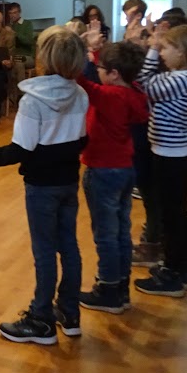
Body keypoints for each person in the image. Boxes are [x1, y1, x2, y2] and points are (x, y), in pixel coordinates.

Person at [0, 26, 88, 345]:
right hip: (68, 181)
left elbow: (20, 150)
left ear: (43, 58)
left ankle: (41, 320)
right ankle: (69, 313)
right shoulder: (80, 94)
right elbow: (81, 140)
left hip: (42, 186)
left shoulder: (33, 102)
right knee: (69, 246)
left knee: (44, 252)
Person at [133, 24, 187, 298]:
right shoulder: (180, 76)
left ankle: (175, 273)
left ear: (182, 51)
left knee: (174, 215)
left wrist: (151, 49)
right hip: (167, 151)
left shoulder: (184, 77)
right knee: (172, 213)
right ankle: (175, 266)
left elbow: (143, 84)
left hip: (171, 154)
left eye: (165, 48)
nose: (161, 53)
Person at [77, 39, 148, 314]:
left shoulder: (110, 96)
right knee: (120, 231)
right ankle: (120, 288)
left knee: (105, 234)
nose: (97, 71)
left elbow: (82, 82)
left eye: (101, 68)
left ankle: (108, 290)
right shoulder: (134, 93)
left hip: (103, 170)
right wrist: (95, 51)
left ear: (114, 73)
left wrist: (81, 54)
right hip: (125, 169)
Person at [6, 2, 35, 105]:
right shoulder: (8, 26)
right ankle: (6, 94)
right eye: (10, 13)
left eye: (15, 13)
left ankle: (21, 95)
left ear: (19, 12)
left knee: (18, 62)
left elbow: (29, 41)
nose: (12, 15)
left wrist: (14, 33)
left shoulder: (27, 24)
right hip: (13, 57)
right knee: (6, 63)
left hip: (27, 57)